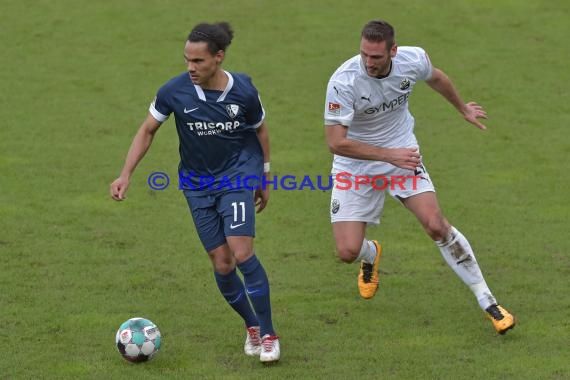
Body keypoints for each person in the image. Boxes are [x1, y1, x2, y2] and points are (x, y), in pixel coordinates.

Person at [323, 20, 515, 334]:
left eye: (376, 57)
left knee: (436, 224)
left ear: (393, 52)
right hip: (354, 165)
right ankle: (371, 254)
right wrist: (388, 155)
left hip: (403, 155)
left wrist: (461, 108)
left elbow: (436, 77)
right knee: (346, 252)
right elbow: (335, 142)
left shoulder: (412, 59)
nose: (369, 63)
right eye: (364, 55)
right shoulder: (343, 81)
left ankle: (488, 301)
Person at [110, 22, 280, 361]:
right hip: (197, 185)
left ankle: (270, 334)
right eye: (187, 60)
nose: (191, 68)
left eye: (198, 62)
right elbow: (147, 131)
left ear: (218, 58)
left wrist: (264, 176)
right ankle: (252, 327)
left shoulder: (243, 90)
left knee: (242, 252)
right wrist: (125, 174)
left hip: (236, 175)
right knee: (222, 263)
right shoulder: (174, 91)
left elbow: (260, 131)